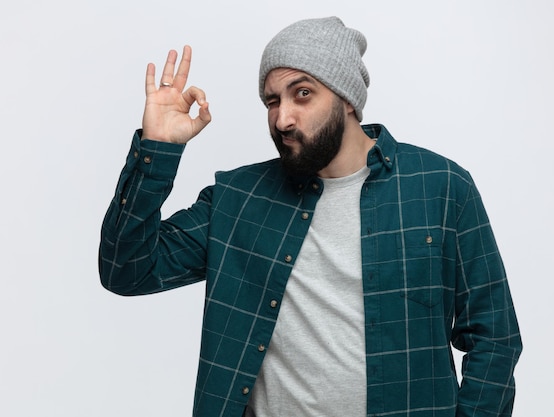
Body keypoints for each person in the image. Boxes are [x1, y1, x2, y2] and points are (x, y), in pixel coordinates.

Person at [99, 16, 522, 417]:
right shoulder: (237, 200)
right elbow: (127, 270)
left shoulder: (441, 187)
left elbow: (494, 337)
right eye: (272, 101)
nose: (283, 118)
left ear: (347, 100)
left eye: (302, 93)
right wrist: (158, 150)